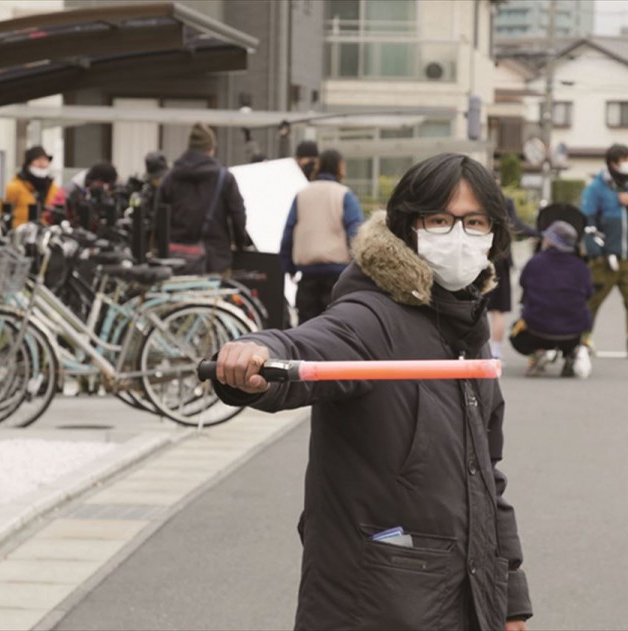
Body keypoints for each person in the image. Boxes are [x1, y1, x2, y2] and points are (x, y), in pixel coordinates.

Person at [211, 153, 532, 631]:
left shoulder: (468, 327)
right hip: (374, 603)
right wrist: (257, 350)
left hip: (464, 599)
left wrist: (509, 599)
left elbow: (487, 472)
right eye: (440, 220)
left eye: (474, 222)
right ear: (409, 227)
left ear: (494, 235)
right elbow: (310, 346)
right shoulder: (373, 316)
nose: (459, 235)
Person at [580, 143, 628, 358]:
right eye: (624, 160)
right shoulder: (596, 188)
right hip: (605, 258)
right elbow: (587, 221)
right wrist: (597, 252)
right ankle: (584, 339)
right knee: (592, 301)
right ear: (612, 164)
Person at [279, 149, 364, 324]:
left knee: (306, 330)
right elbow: (356, 233)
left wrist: (288, 267)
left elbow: (289, 232)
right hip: (338, 276)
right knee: (336, 327)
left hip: (307, 276)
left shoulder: (302, 194)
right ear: (339, 167)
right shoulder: (344, 195)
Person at [159, 123, 251, 274]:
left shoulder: (171, 178)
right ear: (211, 150)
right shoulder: (224, 178)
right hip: (215, 260)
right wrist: (240, 244)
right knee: (216, 298)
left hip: (177, 261)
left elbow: (160, 218)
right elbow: (238, 215)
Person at [510, 219, 593, 378]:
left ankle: (539, 352)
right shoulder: (580, 266)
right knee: (579, 321)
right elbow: (589, 293)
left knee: (516, 334)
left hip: (537, 329)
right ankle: (573, 352)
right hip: (574, 331)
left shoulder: (535, 263)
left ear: (551, 241)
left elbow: (523, 284)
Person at [487, 178, 539, 359]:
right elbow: (516, 226)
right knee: (497, 310)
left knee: (471, 308)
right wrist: (538, 233)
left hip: (476, 258)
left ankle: (475, 353)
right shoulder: (504, 201)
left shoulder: (474, 200)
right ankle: (495, 353)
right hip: (500, 260)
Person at [0, 146, 59, 228]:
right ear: (28, 163)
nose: (42, 164)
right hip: (19, 236)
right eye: (38, 160)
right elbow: (1, 213)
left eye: (45, 160)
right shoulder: (14, 187)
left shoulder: (54, 189)